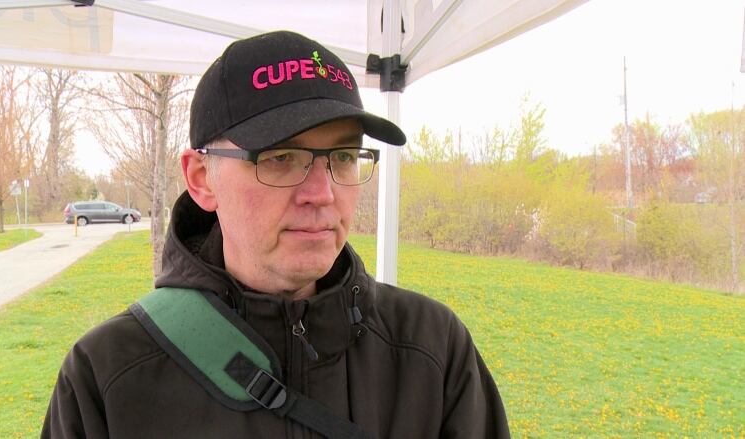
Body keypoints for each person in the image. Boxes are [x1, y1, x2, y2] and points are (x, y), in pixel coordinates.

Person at [42, 30, 510, 438]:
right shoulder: (107, 377)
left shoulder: (432, 348)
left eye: (344, 156)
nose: (322, 193)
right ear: (202, 178)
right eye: (281, 157)